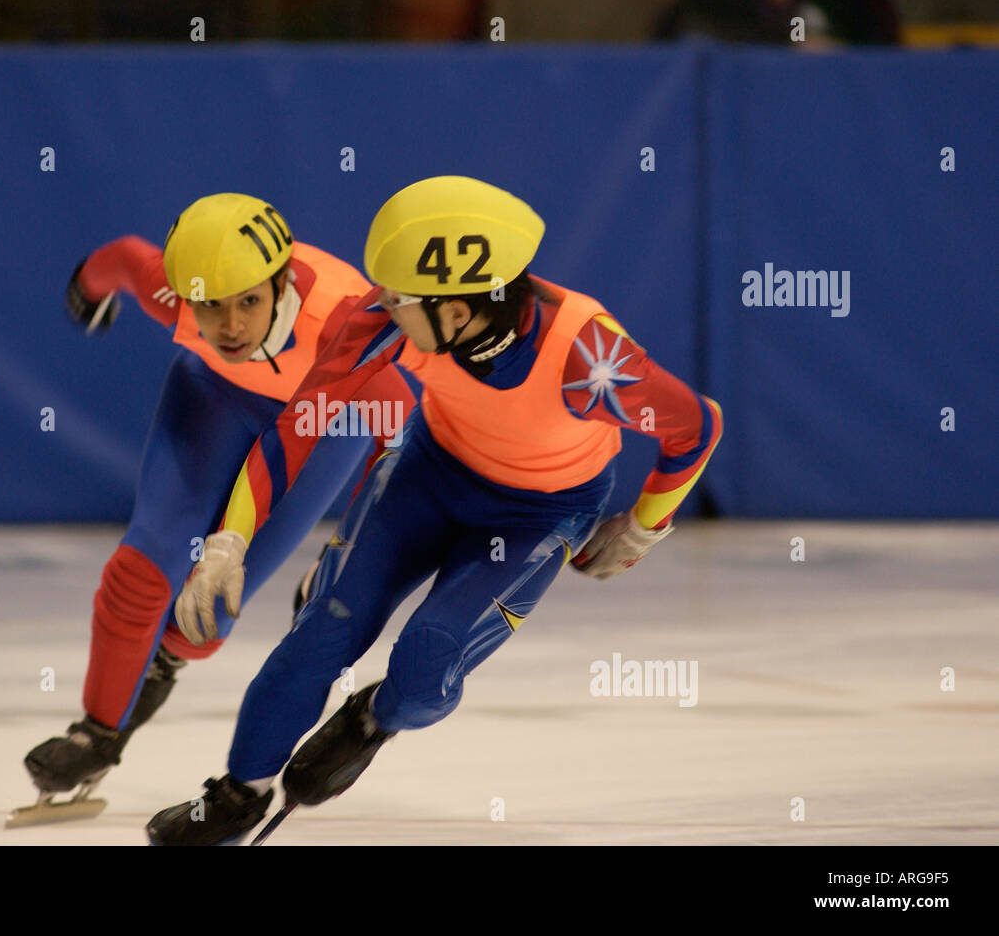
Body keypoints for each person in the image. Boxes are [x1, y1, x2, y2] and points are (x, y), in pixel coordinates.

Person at [145, 176, 724, 844]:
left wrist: (643, 527)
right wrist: (229, 540)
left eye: (396, 299)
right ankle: (237, 795)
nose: (377, 307)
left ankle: (375, 718)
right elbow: (300, 423)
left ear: (454, 312)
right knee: (322, 631)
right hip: (431, 472)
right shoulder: (390, 317)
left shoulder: (587, 359)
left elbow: (696, 427)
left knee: (426, 665)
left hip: (539, 513)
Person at [13, 193, 415, 824]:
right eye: (210, 306)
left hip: (323, 422)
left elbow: (400, 450)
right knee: (144, 568)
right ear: (185, 296)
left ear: (281, 282)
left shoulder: (343, 324)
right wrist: (88, 289)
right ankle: (96, 733)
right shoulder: (171, 293)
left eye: (249, 301)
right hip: (213, 397)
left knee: (205, 617)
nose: (230, 326)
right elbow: (122, 258)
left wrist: (348, 553)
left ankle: (166, 658)